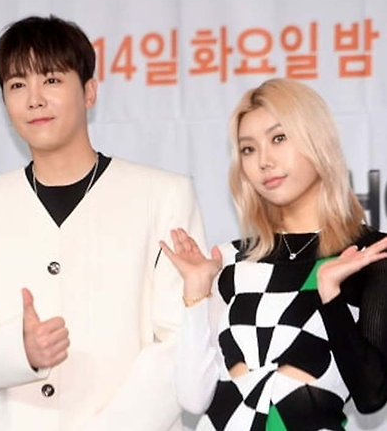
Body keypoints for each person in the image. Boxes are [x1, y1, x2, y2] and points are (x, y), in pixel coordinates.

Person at [0, 15, 206, 431]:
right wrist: (20, 350)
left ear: (89, 91)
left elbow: (177, 343)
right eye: (17, 85)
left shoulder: (164, 196)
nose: (34, 99)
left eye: (52, 80)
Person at [162, 78, 387, 431]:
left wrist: (329, 294)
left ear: (317, 140)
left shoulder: (370, 254)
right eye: (248, 149)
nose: (264, 161)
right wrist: (196, 290)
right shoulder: (228, 260)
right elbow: (193, 399)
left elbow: (371, 396)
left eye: (279, 138)